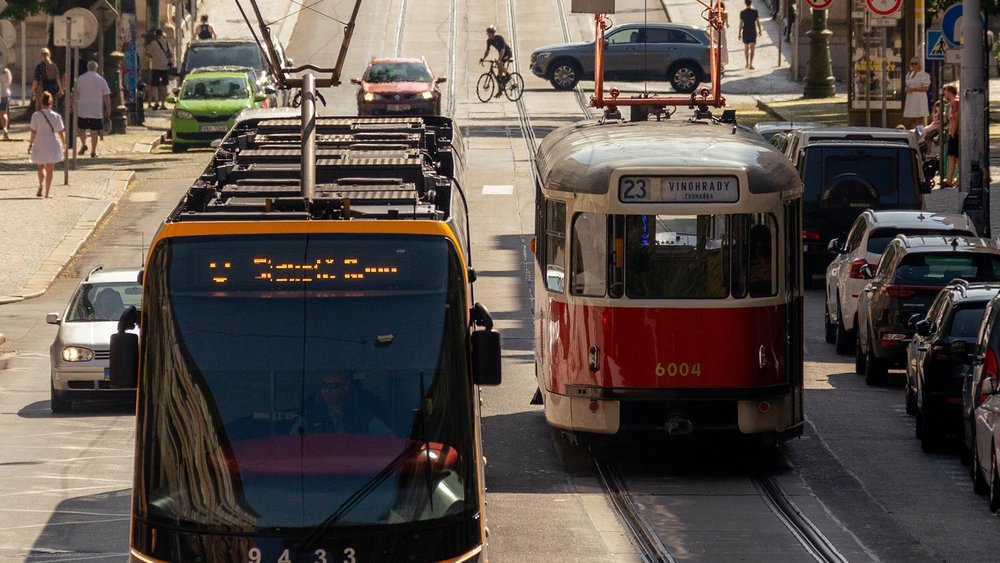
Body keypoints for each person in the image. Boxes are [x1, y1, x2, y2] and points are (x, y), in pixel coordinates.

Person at [300, 372, 391, 435]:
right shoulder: (309, 418)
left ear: (346, 388)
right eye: (324, 386)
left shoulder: (362, 416)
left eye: (333, 386)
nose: (328, 390)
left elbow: (388, 438)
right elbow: (294, 444)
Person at [27, 92, 66, 198]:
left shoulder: (35, 115)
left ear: (41, 103)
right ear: (51, 103)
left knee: (40, 166)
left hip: (39, 142)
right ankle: (47, 193)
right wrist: (64, 143)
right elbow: (60, 131)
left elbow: (33, 132)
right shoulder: (56, 116)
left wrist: (31, 144)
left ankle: (40, 185)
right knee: (50, 168)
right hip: (51, 142)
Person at [75, 61, 111, 158]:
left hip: (83, 108)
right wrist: (108, 109)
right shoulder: (101, 80)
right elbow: (106, 96)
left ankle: (83, 144)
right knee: (94, 131)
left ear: (87, 67)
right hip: (95, 109)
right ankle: (93, 151)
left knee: (82, 129)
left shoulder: (81, 78)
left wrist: (73, 105)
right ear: (96, 68)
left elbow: (76, 93)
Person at [143, 29, 173, 110]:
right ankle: (163, 104)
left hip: (156, 67)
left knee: (154, 85)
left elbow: (147, 52)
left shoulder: (152, 43)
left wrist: (154, 56)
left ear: (155, 35)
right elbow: (171, 54)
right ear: (162, 34)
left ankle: (156, 102)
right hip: (165, 67)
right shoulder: (166, 43)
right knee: (164, 85)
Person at [480, 25, 513, 98]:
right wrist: (483, 58)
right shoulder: (489, 41)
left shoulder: (499, 38)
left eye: (488, 33)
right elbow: (487, 51)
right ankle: (500, 91)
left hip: (507, 53)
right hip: (501, 55)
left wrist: (499, 60)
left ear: (492, 33)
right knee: (499, 77)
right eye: (487, 33)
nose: (487, 34)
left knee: (500, 63)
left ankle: (508, 76)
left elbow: (502, 50)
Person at [903, 57, 931, 128]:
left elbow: (926, 88)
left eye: (915, 64)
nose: (913, 65)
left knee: (921, 118)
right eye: (912, 64)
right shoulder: (909, 74)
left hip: (920, 98)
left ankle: (921, 135)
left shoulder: (924, 75)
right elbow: (907, 85)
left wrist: (914, 89)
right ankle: (914, 134)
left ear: (919, 65)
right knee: (913, 118)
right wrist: (906, 89)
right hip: (911, 98)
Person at [942, 83, 960, 187]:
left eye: (945, 92)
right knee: (952, 156)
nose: (944, 94)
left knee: (955, 157)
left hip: (955, 133)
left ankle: (957, 179)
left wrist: (953, 131)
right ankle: (949, 179)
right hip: (954, 132)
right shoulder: (955, 101)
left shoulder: (955, 102)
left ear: (949, 92)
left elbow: (955, 117)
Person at [738, 0, 761, 70]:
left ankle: (746, 63)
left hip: (745, 31)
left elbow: (741, 23)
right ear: (751, 3)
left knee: (746, 48)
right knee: (752, 48)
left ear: (745, 3)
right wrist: (760, 30)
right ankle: (751, 64)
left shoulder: (742, 13)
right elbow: (758, 21)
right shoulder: (755, 12)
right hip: (752, 31)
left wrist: (739, 32)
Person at [0, 63, 11, 140]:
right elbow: (9, 82)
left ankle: (4, 128)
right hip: (5, 93)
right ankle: (5, 128)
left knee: (1, 114)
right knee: (4, 113)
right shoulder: (6, 71)